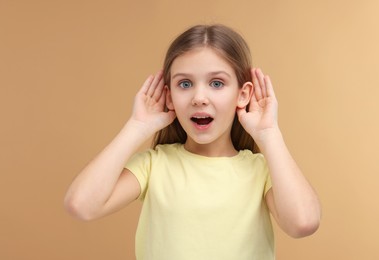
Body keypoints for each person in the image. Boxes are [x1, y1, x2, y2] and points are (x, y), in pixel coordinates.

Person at [64, 24, 321, 260]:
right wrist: (137, 127)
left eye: (217, 83)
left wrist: (270, 134)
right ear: (170, 96)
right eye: (185, 84)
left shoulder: (261, 170)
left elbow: (303, 223)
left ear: (242, 95)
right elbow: (81, 205)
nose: (199, 97)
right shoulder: (154, 165)